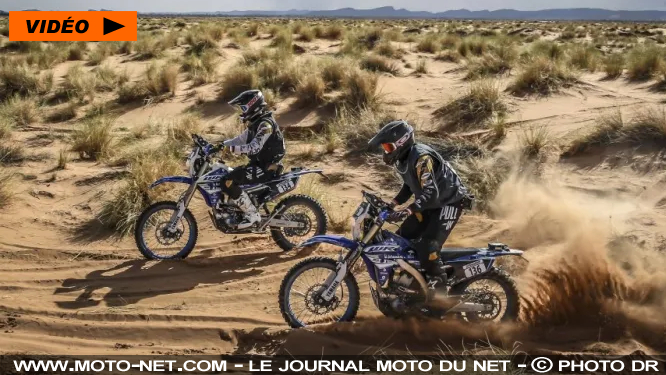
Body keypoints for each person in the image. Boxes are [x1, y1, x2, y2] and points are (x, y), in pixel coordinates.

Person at [368, 120, 472, 296]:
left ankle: (439, 298)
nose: (386, 152)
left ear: (401, 142)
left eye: (388, 147)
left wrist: (408, 210)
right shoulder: (404, 159)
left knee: (428, 247)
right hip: (431, 204)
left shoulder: (422, 158)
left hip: (449, 203)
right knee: (400, 240)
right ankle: (412, 285)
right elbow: (410, 186)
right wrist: (392, 204)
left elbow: (431, 193)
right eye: (385, 148)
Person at [216, 89, 286, 230]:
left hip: (266, 168)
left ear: (251, 106)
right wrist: (219, 146)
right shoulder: (256, 124)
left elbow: (254, 148)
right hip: (258, 165)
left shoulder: (265, 125)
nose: (240, 112)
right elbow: (240, 139)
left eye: (242, 108)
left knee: (229, 181)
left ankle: (252, 215)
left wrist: (233, 150)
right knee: (224, 175)